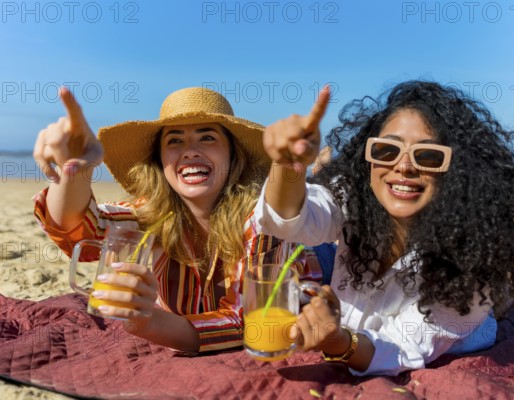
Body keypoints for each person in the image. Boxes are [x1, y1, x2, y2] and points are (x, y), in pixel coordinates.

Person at [254, 81, 514, 375]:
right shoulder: (353, 196)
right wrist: (287, 165)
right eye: (386, 150)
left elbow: (400, 347)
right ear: (368, 158)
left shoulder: (472, 269)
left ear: (457, 171)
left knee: (501, 301)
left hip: (460, 332)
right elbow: (288, 221)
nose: (404, 166)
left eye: (428, 156)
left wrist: (339, 342)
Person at [32, 87, 322, 353]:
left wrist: (148, 322)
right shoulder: (152, 214)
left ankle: (322, 169)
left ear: (234, 156)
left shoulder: (263, 218)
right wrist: (75, 170)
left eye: (207, 137)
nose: (190, 150)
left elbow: (249, 322)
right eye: (175, 140)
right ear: (160, 161)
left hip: (314, 262)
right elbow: (82, 231)